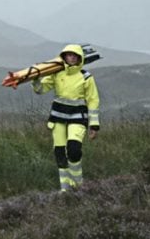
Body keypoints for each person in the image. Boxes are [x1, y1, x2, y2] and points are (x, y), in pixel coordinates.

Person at [32, 44, 100, 191]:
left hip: (78, 118)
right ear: (64, 57)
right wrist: (35, 79)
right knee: (60, 154)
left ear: (80, 58)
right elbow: (41, 89)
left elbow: (93, 100)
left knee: (74, 150)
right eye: (69, 55)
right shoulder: (56, 73)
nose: (72, 57)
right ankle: (65, 190)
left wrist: (94, 126)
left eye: (75, 55)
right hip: (58, 118)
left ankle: (77, 185)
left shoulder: (86, 77)